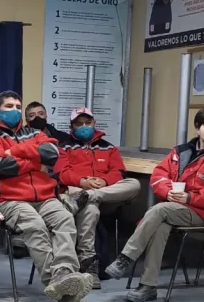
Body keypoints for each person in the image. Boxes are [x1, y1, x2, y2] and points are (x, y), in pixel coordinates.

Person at [105, 108, 204, 302]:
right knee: (160, 226)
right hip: (175, 208)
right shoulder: (180, 152)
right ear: (197, 128)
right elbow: (159, 176)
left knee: (159, 210)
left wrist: (191, 197)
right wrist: (167, 191)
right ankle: (148, 286)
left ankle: (125, 258)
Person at [0, 91, 92, 302]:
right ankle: (58, 283)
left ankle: (64, 273)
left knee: (65, 218)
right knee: (35, 225)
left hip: (44, 197)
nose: (14, 110)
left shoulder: (35, 132)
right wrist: (35, 162)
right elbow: (0, 167)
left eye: (17, 106)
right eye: (8, 106)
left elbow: (52, 154)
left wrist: (16, 151)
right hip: (7, 200)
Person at [54, 107, 141, 285]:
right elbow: (61, 173)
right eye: (79, 124)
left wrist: (104, 181)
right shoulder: (63, 146)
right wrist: (82, 182)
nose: (84, 127)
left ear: (94, 123)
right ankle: (89, 265)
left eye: (88, 123)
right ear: (71, 126)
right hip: (77, 192)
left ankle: (89, 195)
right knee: (91, 208)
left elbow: (118, 172)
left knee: (134, 184)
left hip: (105, 195)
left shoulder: (109, 148)